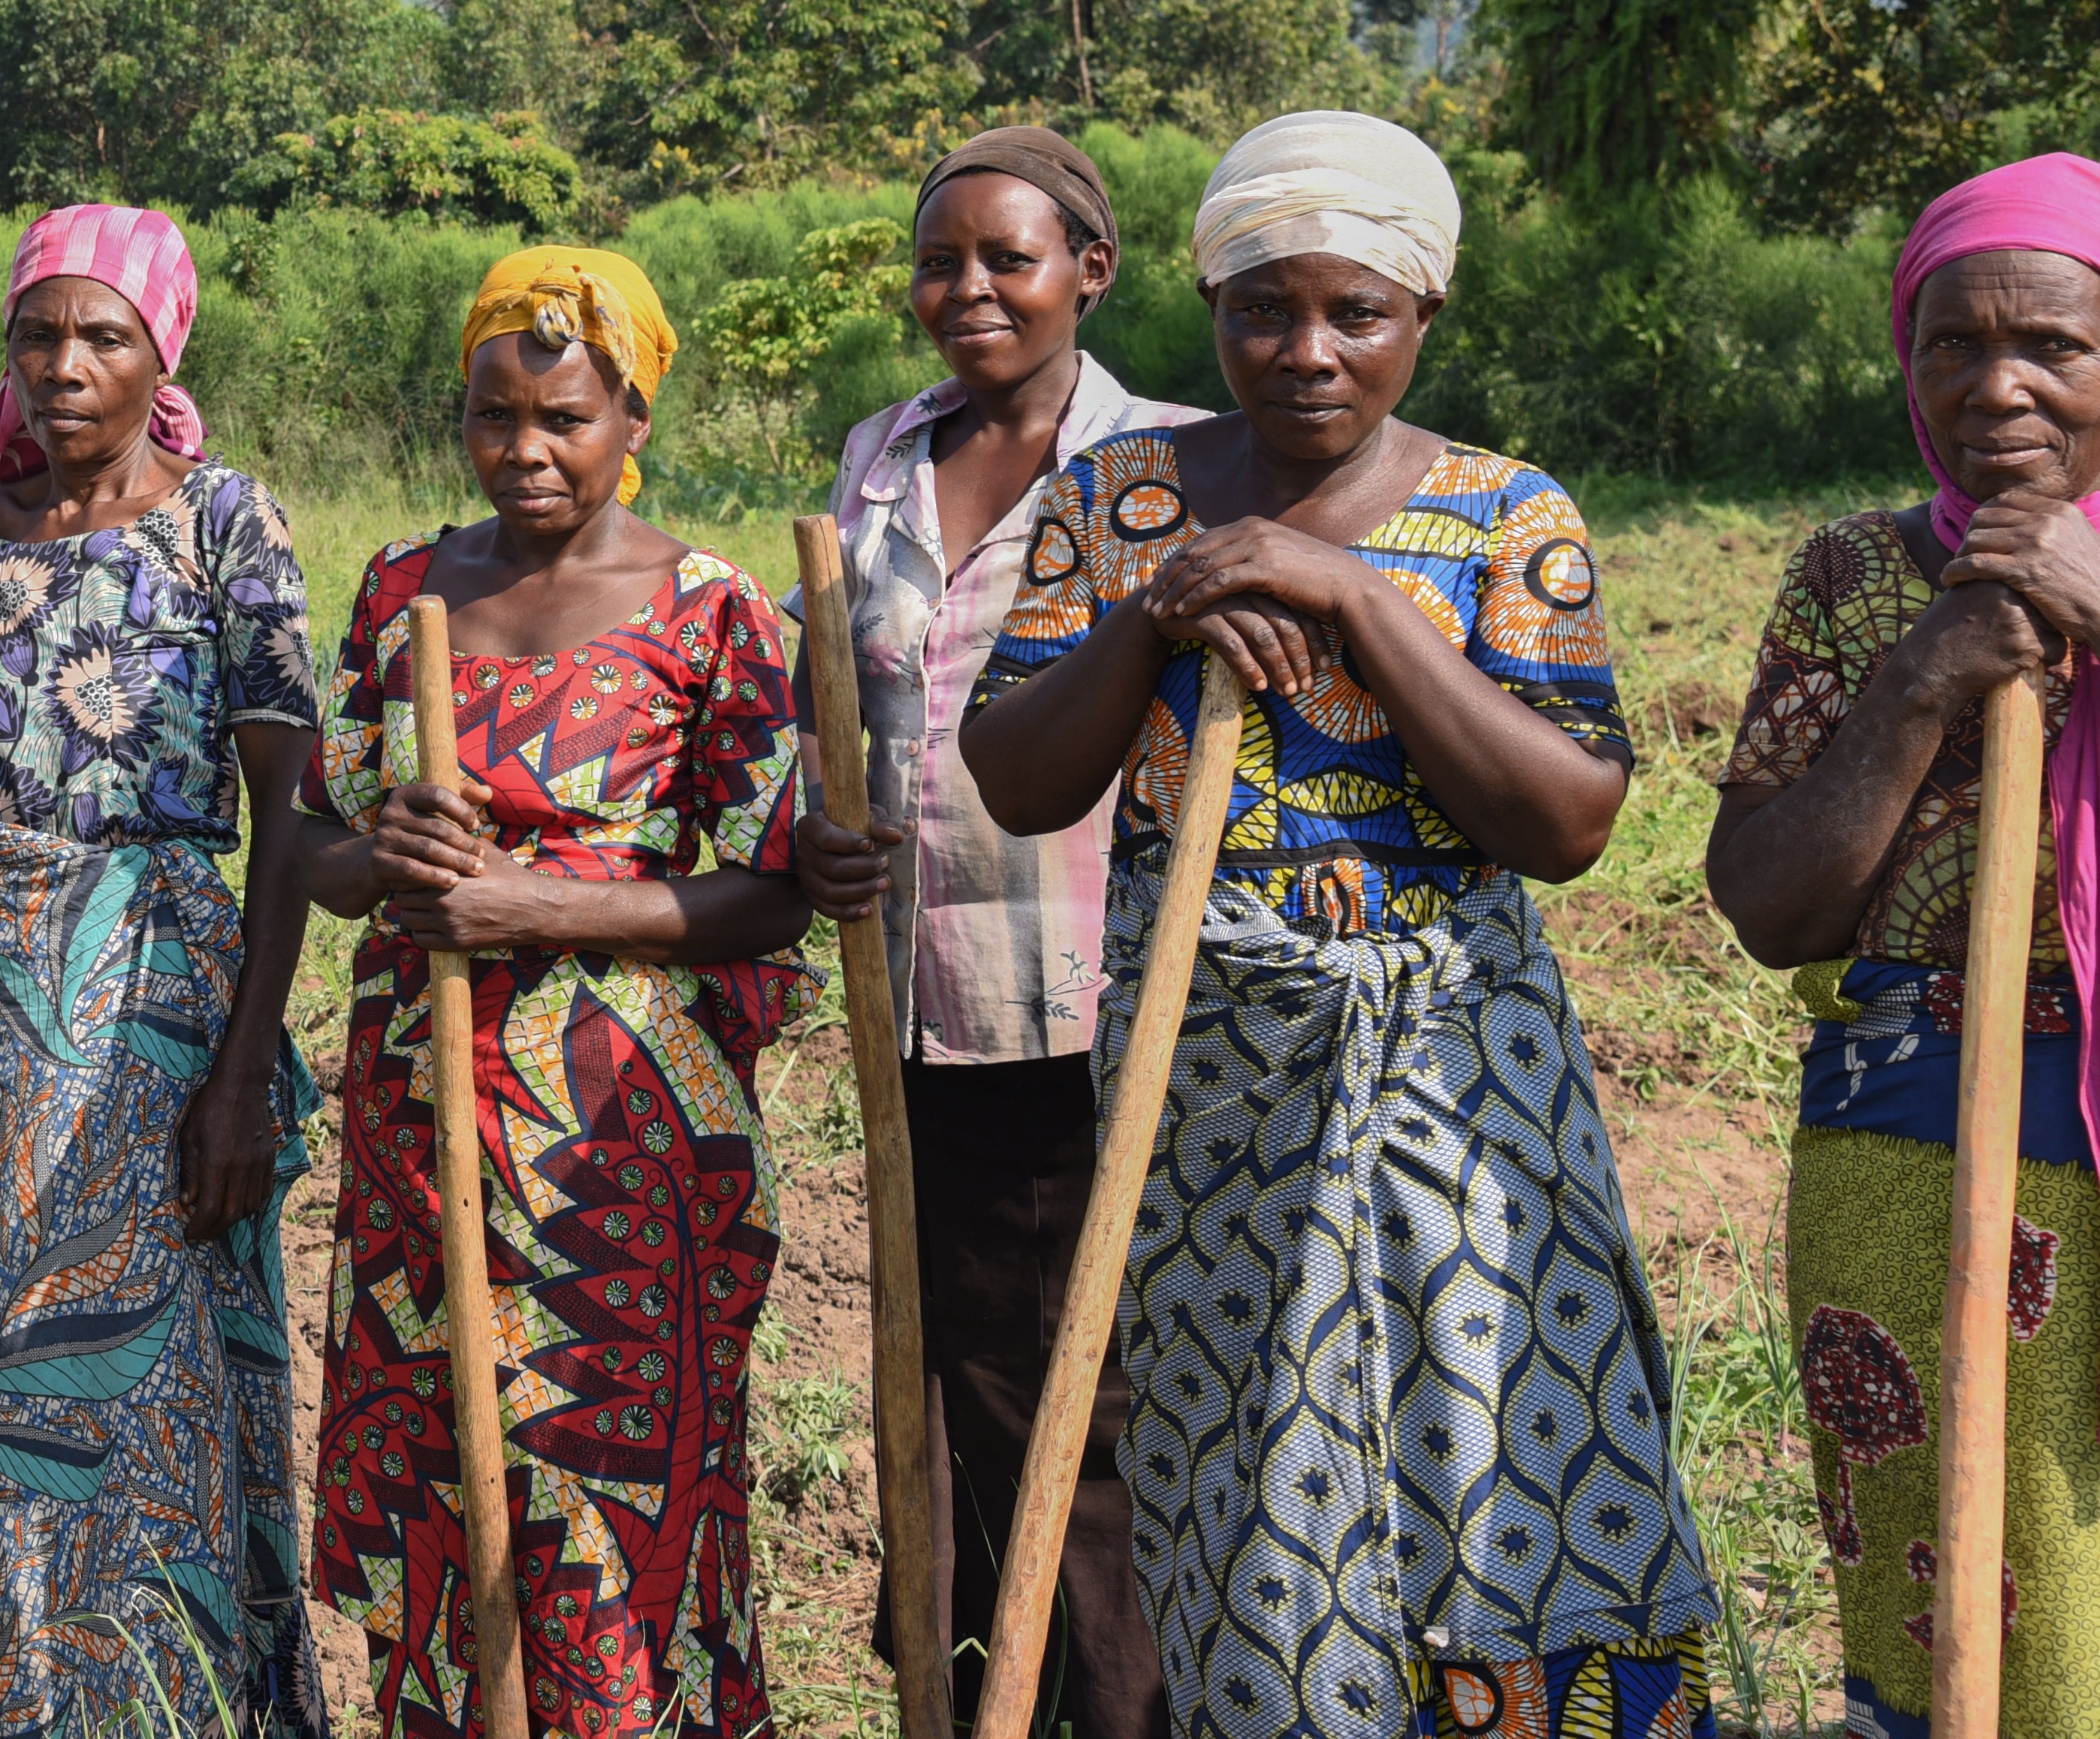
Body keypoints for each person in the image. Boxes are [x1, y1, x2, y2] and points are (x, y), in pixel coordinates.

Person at [958, 112, 1715, 1736]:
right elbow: (1013, 778)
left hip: (1457, 1077)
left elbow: (1566, 819)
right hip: (1205, 1081)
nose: (1302, 351)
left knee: (1498, 1445)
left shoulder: (1503, 515)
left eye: (1352, 312)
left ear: (1421, 315)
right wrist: (1155, 618)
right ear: (1209, 308)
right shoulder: (1117, 499)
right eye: (1258, 309)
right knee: (1244, 1482)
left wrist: (1355, 601)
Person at [292, 247, 810, 1738]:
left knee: (614, 1481)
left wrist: (543, 905)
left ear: (633, 416)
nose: (524, 451)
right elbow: (314, 851)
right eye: (492, 415)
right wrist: (380, 848)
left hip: (623, 1137)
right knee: (446, 1471)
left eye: (564, 419)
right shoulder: (402, 587)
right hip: (420, 1111)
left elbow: (769, 883)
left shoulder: (708, 610)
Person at [0, 203, 328, 1739]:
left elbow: (291, 815)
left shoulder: (222, 524)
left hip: (157, 1026)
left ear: (157, 351)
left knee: (161, 1381)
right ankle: (53, 1700)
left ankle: (174, 1699)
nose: (63, 365)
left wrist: (240, 1073)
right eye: (36, 335)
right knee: (31, 1375)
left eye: (100, 334)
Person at [785, 131, 1185, 1738]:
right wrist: (815, 824)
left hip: (1088, 1005)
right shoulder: (879, 454)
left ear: (1088, 268)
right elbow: (842, 705)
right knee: (933, 1379)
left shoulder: (1167, 463)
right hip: (910, 1002)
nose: (964, 291)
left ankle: (1106, 1705)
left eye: (1004, 259)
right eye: (937, 262)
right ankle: (950, 1706)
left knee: (1073, 1404)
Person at [1703, 152, 2100, 1725]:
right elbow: (1765, 902)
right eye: (1950, 342)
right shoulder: (1853, 573)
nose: (1993, 385)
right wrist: (1921, 676)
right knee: (1977, 1598)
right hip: (1910, 1147)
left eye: (2050, 345)